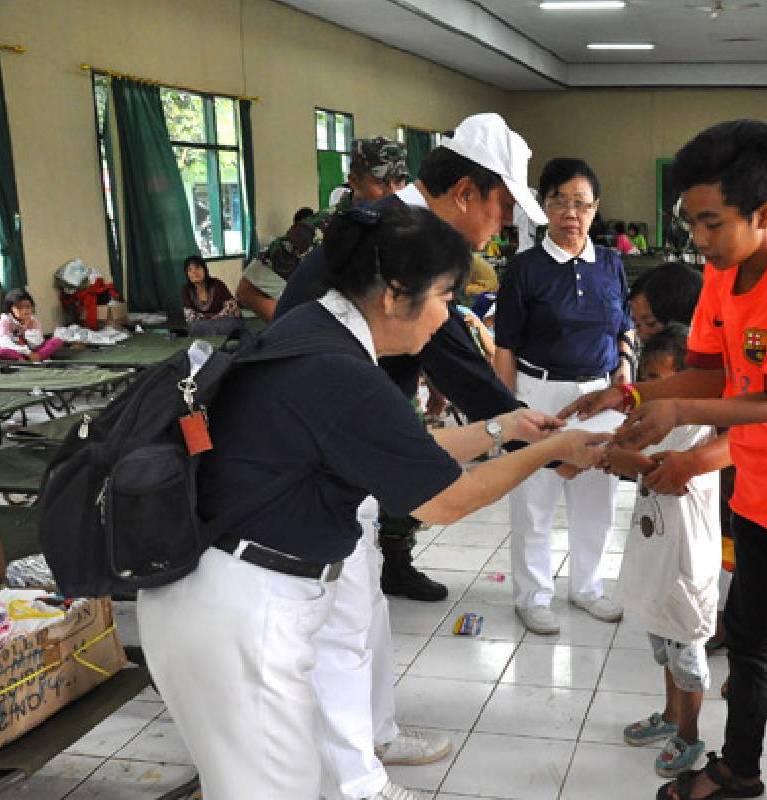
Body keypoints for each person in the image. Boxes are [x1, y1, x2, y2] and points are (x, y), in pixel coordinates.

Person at [137, 203, 608, 800]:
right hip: (239, 607)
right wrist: (554, 448)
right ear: (393, 294)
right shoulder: (339, 371)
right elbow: (446, 500)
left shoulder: (318, 329)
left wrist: (504, 427)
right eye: (442, 298)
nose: (447, 319)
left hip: (231, 589)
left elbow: (396, 449)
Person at [563, 119, 767, 800]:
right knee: (747, 644)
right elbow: (711, 377)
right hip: (753, 490)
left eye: (712, 222)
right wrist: (630, 391)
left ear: (764, 213)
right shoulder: (720, 274)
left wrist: (677, 414)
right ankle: (737, 770)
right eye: (690, 222)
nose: (698, 239)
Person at [274, 114, 549, 800]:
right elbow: (453, 366)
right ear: (464, 192)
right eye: (502, 207)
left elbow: (451, 356)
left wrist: (522, 430)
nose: (503, 227)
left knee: (362, 605)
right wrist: (540, 444)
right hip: (316, 455)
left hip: (350, 437)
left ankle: (375, 733)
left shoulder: (405, 230)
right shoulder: (394, 239)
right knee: (340, 619)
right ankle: (354, 779)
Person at [493, 157, 634, 634]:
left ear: (595, 209)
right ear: (543, 206)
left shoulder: (611, 263)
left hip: (600, 395)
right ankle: (532, 596)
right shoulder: (525, 269)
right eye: (559, 202)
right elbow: (506, 345)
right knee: (535, 495)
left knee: (598, 494)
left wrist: (625, 383)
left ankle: (587, 587)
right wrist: (507, 410)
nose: (571, 213)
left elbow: (625, 330)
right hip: (539, 392)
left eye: (581, 203)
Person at [610, 323, 730, 779]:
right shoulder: (657, 418)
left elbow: (658, 468)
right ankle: (670, 714)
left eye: (664, 381)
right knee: (663, 635)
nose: (656, 391)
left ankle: (690, 733)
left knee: (686, 649)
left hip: (686, 557)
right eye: (650, 380)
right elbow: (626, 446)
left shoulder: (693, 426)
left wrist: (616, 453)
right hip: (656, 552)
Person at [237, 138, 409, 321]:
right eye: (381, 183)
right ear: (353, 181)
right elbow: (249, 291)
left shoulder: (409, 226)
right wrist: (299, 333)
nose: (393, 192)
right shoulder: (315, 231)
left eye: (399, 181)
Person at [180, 256, 240, 335]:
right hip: (202, 324)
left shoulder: (217, 284)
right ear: (187, 274)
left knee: (228, 324)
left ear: (204, 270)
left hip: (223, 321)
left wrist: (216, 318)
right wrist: (209, 320)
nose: (194, 272)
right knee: (194, 327)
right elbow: (189, 315)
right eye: (190, 270)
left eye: (197, 268)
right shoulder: (186, 290)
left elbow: (231, 306)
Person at [0, 289, 63, 361]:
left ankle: (37, 358)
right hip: (16, 350)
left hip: (33, 351)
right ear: (11, 309)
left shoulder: (33, 320)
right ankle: (23, 359)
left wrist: (27, 329)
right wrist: (27, 352)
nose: (25, 310)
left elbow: (37, 343)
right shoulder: (5, 320)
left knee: (57, 341)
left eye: (28, 306)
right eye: (20, 307)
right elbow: (4, 342)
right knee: (2, 351)